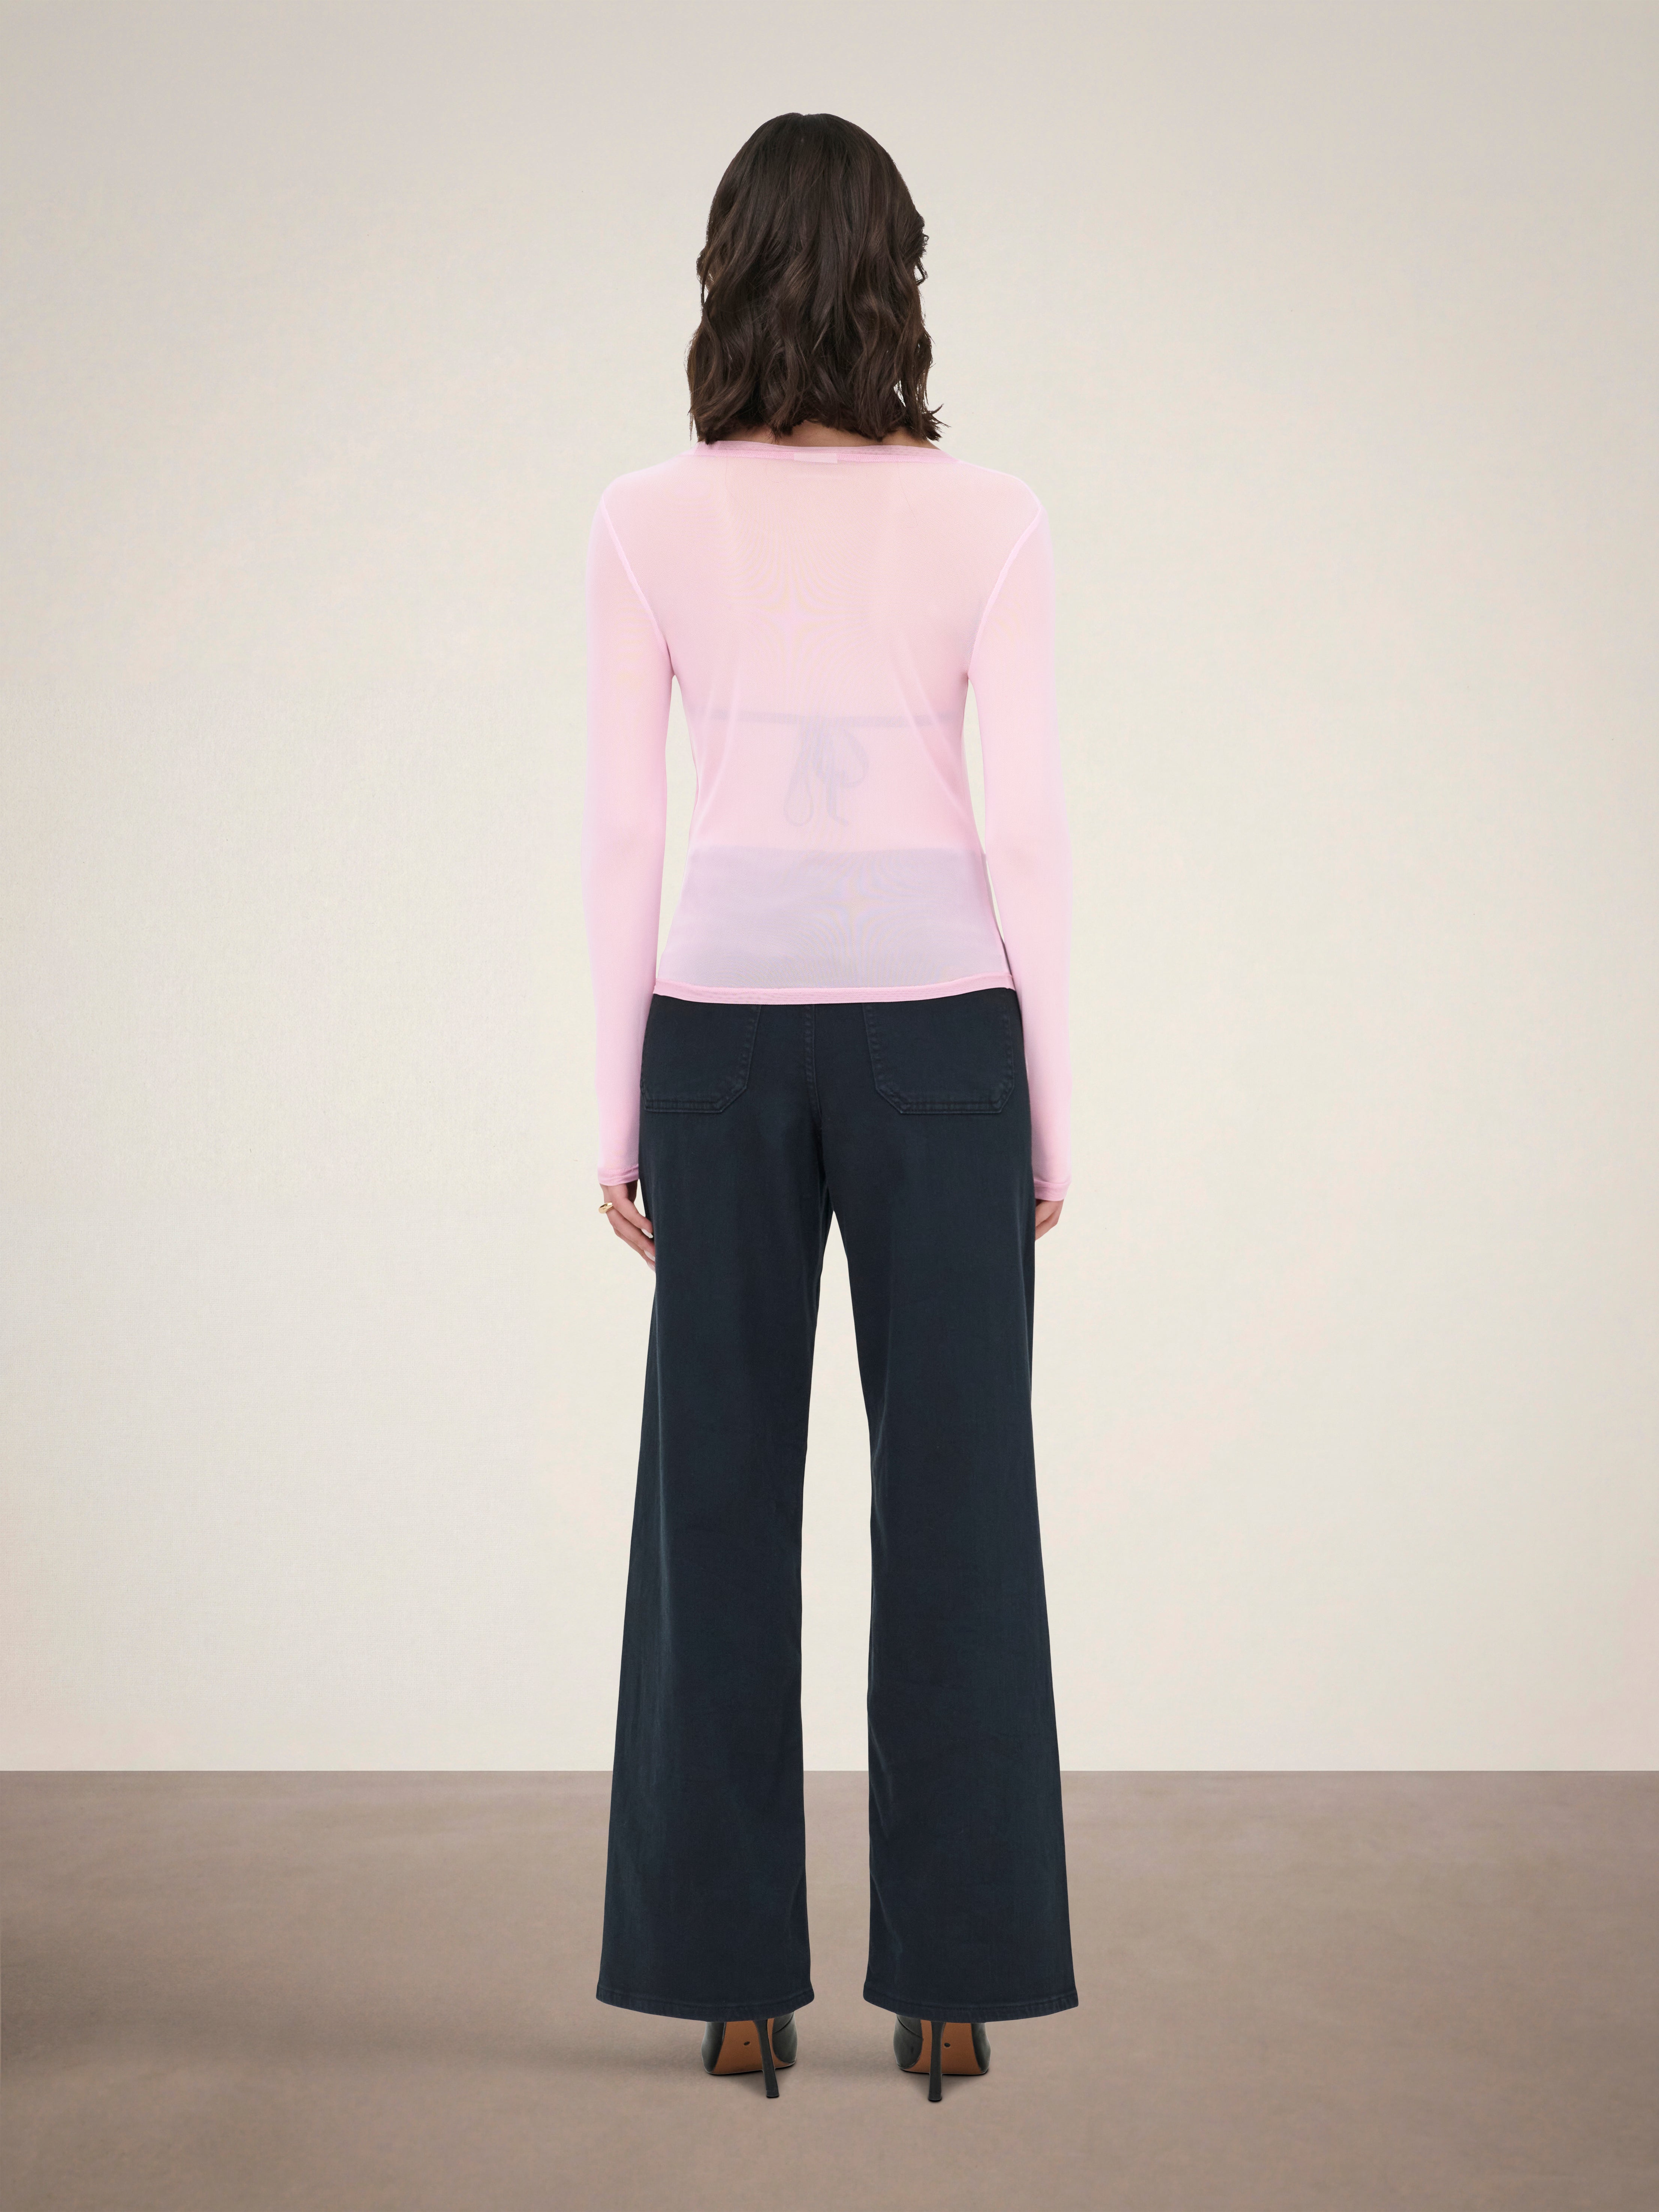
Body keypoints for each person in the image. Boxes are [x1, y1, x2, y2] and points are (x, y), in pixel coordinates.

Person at [582, 111, 1077, 2106]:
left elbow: (625, 827)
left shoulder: (645, 517)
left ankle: (731, 1987)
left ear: (725, 274)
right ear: (900, 277)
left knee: (715, 1504)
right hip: (947, 1032)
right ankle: (954, 1989)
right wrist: (1056, 1109)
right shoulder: (994, 517)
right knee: (960, 1505)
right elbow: (1028, 833)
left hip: (712, 1032)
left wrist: (610, 1102)